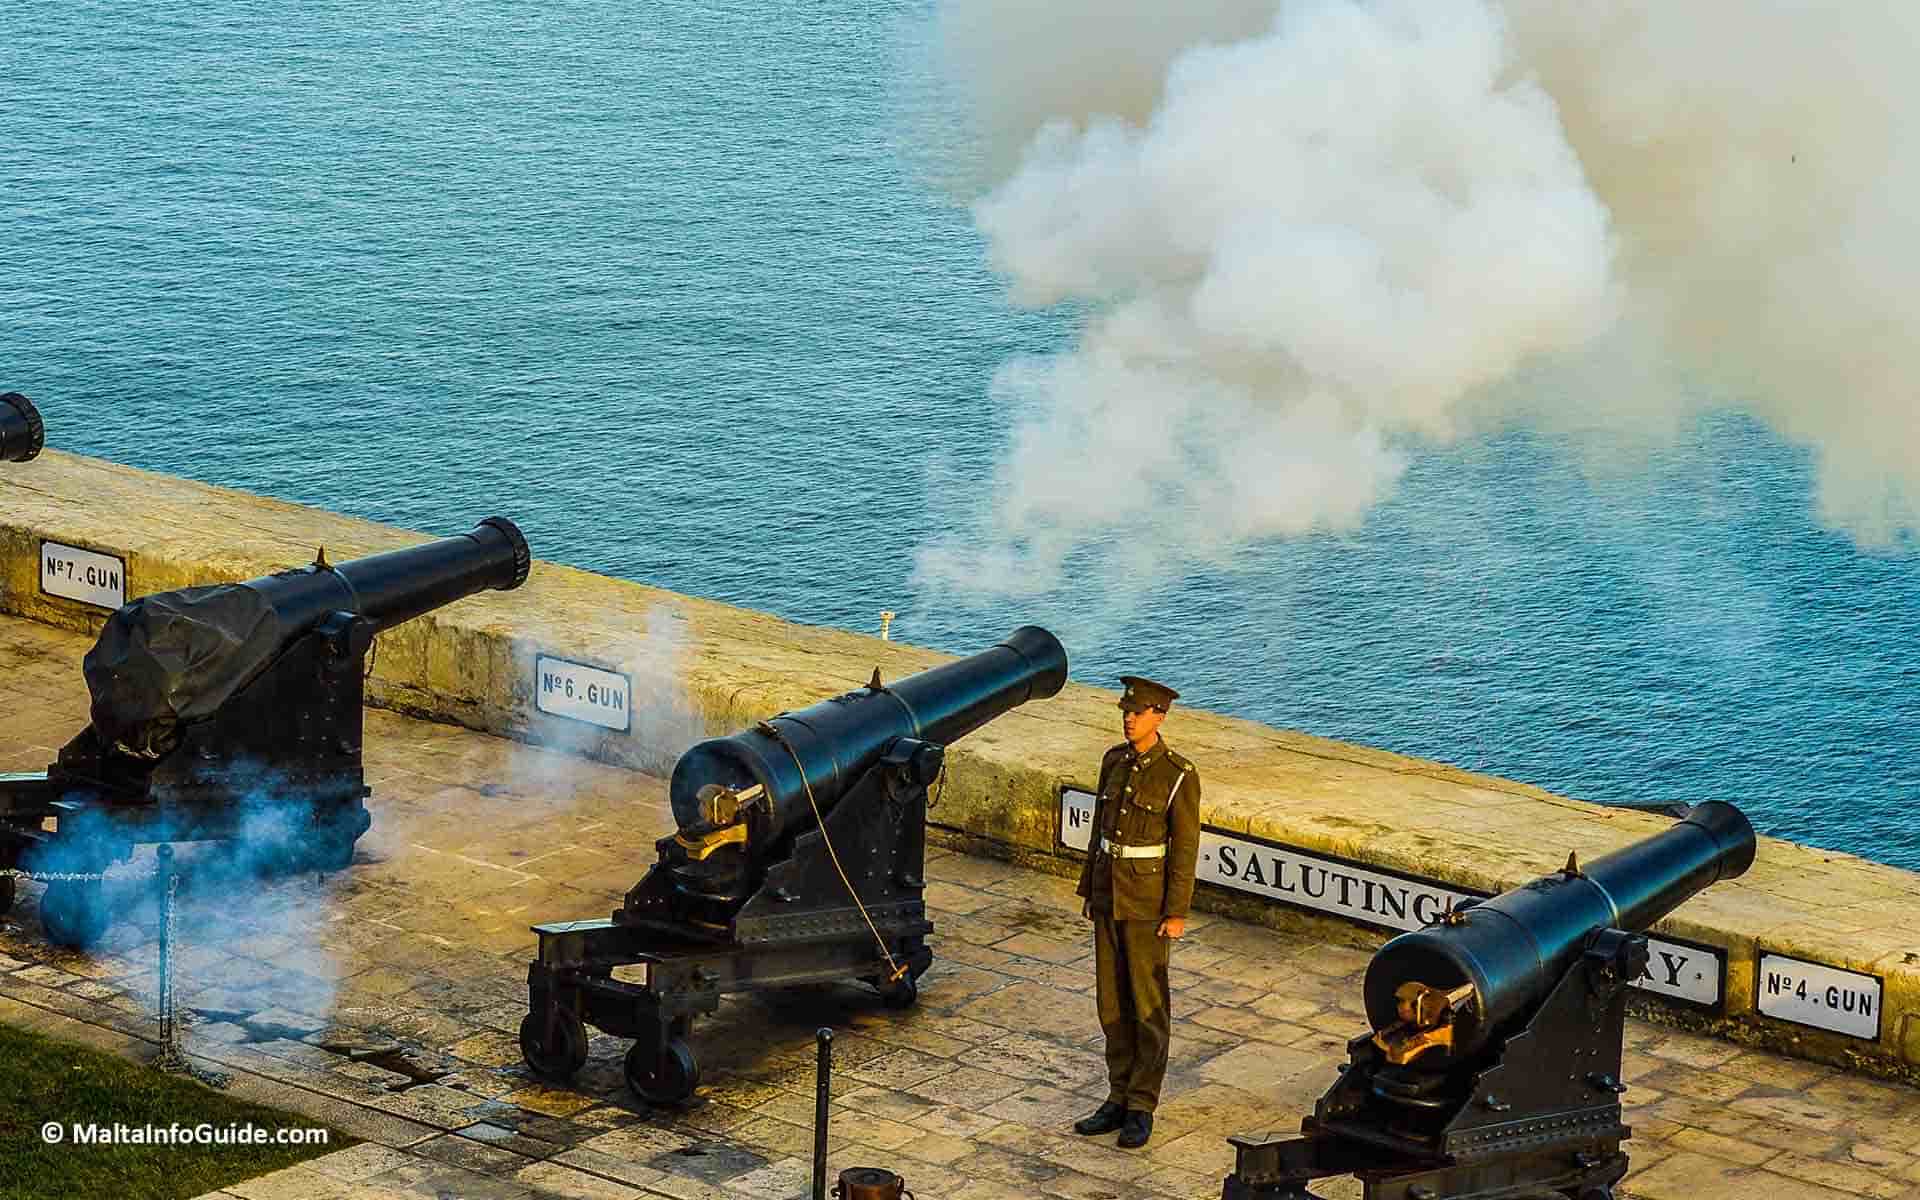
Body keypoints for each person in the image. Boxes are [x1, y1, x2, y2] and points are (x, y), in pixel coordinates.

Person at [1072, 675, 1200, 1150]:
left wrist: (1177, 911)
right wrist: (1090, 887)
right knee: (1112, 1004)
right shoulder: (1113, 762)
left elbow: (1185, 848)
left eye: (1138, 713)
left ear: (1159, 717)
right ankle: (1118, 1095)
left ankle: (1142, 1104)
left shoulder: (1178, 774)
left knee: (1148, 1007)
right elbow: (1099, 835)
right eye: (1126, 712)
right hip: (1109, 896)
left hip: (1147, 905)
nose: (1129, 719)